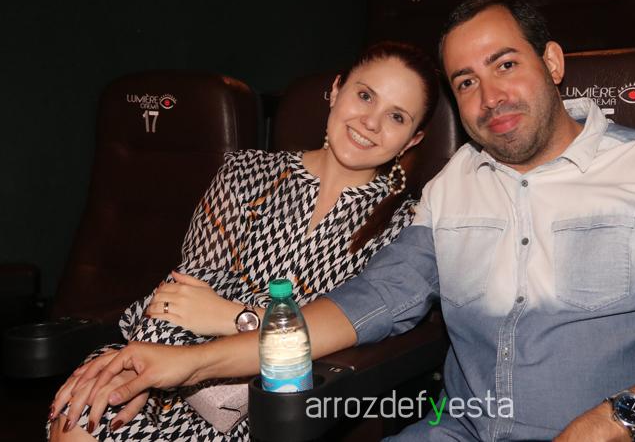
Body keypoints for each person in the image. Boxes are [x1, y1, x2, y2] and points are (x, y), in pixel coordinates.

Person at [55, 0, 635, 442]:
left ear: (552, 62)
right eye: (466, 81)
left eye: (506, 64)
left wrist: (618, 418)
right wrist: (189, 361)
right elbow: (363, 305)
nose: (489, 95)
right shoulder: (452, 188)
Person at [47, 40, 441, 441]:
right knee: (78, 419)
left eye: (396, 116)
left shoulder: (405, 227)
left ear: (412, 139)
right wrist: (140, 373)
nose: (370, 122)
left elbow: (341, 337)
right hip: (171, 354)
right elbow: (182, 300)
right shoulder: (244, 172)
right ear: (336, 91)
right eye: (365, 96)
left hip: (271, 400)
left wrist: (235, 316)